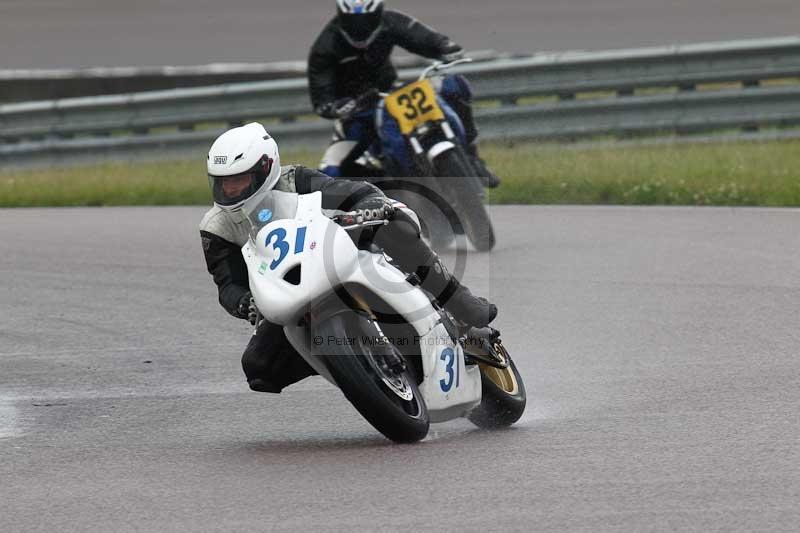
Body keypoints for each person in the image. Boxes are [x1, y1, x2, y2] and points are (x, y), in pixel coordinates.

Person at [199, 122, 497, 393]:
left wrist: (368, 208)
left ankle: (461, 302)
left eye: (239, 180)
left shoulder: (296, 180)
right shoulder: (216, 226)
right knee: (260, 368)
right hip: (288, 292)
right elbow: (227, 284)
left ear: (266, 168)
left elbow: (353, 192)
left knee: (395, 228)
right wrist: (244, 303)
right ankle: (352, 362)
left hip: (337, 254)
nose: (230, 190)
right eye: (223, 182)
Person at [308, 0, 500, 187]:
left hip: (392, 93)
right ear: (342, 17)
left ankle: (472, 156)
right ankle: (374, 200)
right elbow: (321, 96)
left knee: (454, 84)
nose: (361, 27)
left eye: (368, 19)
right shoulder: (324, 47)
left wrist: (445, 47)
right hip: (356, 109)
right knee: (329, 172)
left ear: (378, 13)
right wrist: (334, 106)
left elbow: (419, 36)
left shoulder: (389, 21)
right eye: (353, 21)